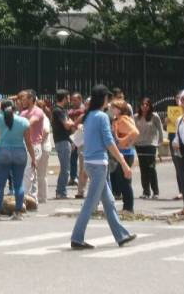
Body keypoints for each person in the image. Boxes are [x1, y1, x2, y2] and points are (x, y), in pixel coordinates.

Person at [71, 84, 137, 250]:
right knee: (90, 204)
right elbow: (109, 142)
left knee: (109, 202)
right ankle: (77, 238)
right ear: (104, 99)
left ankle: (121, 235)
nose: (109, 100)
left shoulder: (89, 115)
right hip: (99, 163)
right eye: (108, 97)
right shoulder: (101, 116)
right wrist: (123, 163)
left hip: (91, 162)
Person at [0, 100, 37, 221]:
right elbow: (28, 142)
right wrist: (33, 158)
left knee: (0, 183)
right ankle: (18, 212)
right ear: (14, 109)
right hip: (19, 152)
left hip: (4, 152)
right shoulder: (24, 121)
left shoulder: (0, 119)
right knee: (18, 184)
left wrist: (0, 105)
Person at [110, 100, 138, 214]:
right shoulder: (116, 120)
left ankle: (128, 207)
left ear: (120, 109)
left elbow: (135, 132)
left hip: (126, 153)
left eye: (114, 108)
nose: (112, 110)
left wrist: (123, 141)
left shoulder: (124, 119)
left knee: (125, 180)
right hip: (120, 153)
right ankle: (126, 206)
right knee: (120, 180)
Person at [19, 90, 46, 204]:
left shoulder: (38, 111)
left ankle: (23, 197)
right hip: (24, 144)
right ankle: (32, 198)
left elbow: (29, 123)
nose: (22, 101)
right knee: (30, 172)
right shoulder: (23, 113)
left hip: (34, 145)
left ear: (31, 99)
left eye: (25, 98)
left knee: (28, 171)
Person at [134, 97, 163, 199]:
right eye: (143, 104)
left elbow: (160, 129)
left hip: (151, 145)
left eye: (147, 104)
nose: (144, 106)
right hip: (139, 145)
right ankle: (146, 191)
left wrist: (160, 143)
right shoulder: (136, 117)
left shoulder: (154, 117)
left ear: (150, 106)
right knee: (143, 168)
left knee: (151, 168)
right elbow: (133, 130)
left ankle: (155, 191)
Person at [52, 90, 74, 199]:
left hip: (65, 141)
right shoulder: (58, 110)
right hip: (62, 142)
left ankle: (61, 191)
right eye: (68, 97)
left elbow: (69, 123)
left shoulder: (62, 110)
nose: (69, 100)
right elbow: (67, 124)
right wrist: (72, 123)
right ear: (64, 98)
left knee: (66, 168)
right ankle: (61, 192)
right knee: (65, 168)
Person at [68, 93, 85, 186]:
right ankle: (73, 177)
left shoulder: (84, 110)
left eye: (75, 100)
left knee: (83, 159)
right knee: (73, 158)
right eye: (72, 100)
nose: (73, 102)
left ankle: (82, 178)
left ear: (80, 99)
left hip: (82, 137)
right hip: (73, 136)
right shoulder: (71, 110)